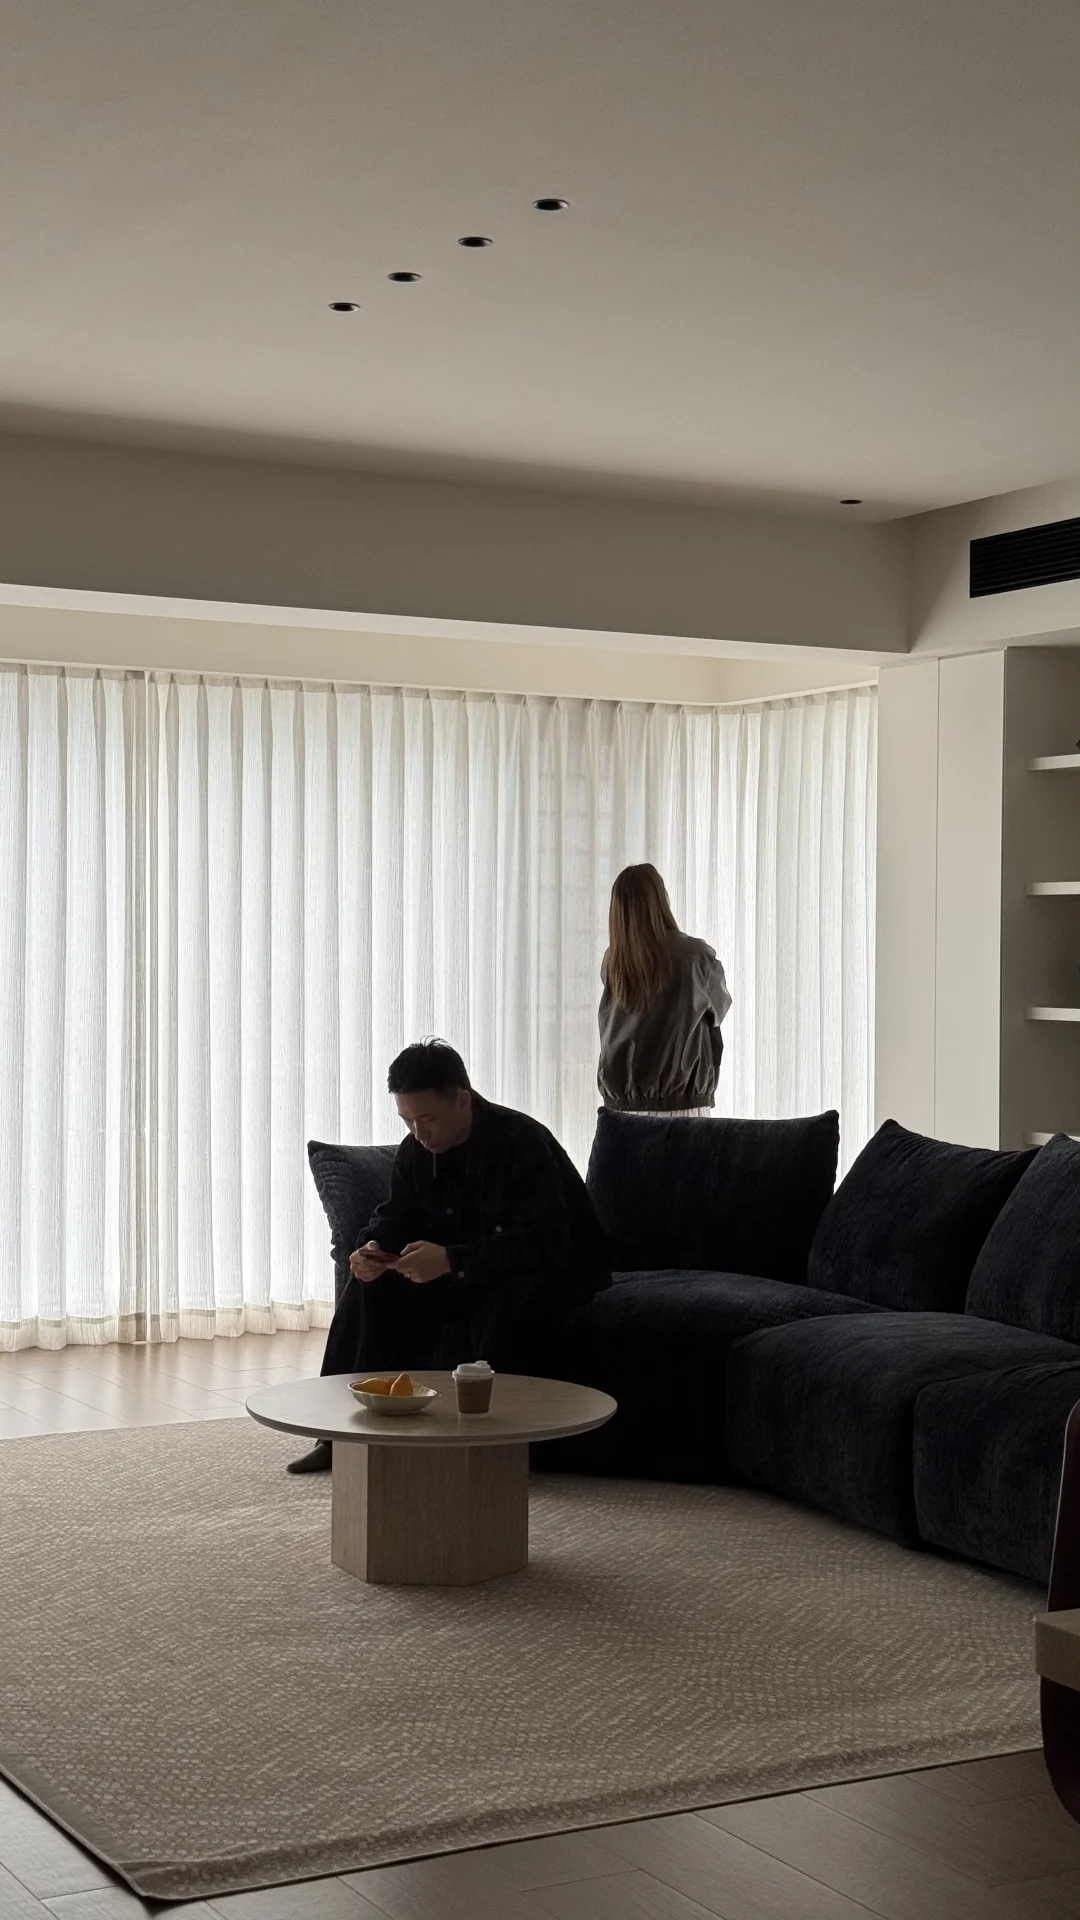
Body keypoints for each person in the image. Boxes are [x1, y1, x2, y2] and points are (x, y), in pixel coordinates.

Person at [288, 1040, 611, 1473]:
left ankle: (487, 1451)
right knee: (369, 1289)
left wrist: (452, 1261)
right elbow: (395, 1216)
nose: (418, 1133)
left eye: (427, 1119)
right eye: (407, 1120)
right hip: (466, 1269)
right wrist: (370, 1248)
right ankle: (339, 1438)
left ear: (462, 1100)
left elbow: (543, 1242)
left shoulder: (522, 1142)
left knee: (508, 1302)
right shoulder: (415, 1152)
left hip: (546, 1270)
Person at [597, 863, 731, 1115]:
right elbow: (719, 1009)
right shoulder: (696, 957)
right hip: (682, 1108)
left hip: (621, 1112)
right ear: (660, 900)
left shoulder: (613, 961)